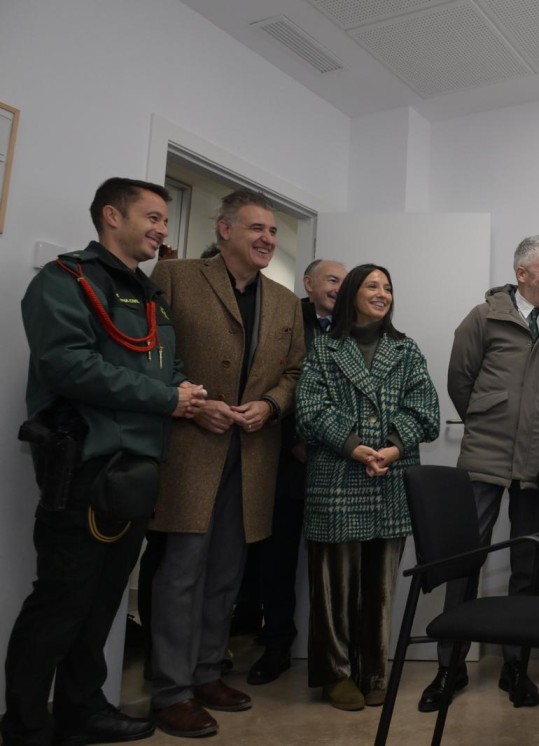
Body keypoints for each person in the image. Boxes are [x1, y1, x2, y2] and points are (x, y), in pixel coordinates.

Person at [2, 178, 206, 746]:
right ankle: (24, 723)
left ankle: (82, 709)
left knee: (104, 604)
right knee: (61, 602)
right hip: (85, 467)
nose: (163, 229)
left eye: (166, 219)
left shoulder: (148, 294)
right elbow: (68, 366)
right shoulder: (64, 280)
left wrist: (189, 392)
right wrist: (169, 398)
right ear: (112, 216)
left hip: (137, 473)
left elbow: (168, 365)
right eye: (154, 217)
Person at [146, 189, 305, 738]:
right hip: (192, 450)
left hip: (253, 453)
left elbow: (295, 373)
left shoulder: (284, 301)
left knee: (228, 575)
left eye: (274, 231)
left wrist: (270, 405)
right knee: (182, 572)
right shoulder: (175, 278)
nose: (267, 239)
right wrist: (193, 403)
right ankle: (169, 691)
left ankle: (208, 671)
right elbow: (150, 357)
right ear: (225, 230)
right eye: (256, 228)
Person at [420, 235, 539, 712]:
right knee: (462, 561)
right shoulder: (483, 317)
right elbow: (460, 379)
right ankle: (448, 668)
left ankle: (516, 666)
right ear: (522, 273)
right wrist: (489, 415)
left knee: (528, 565)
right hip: (484, 456)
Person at [296, 263, 440, 710]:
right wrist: (356, 447)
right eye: (373, 286)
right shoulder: (324, 348)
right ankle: (335, 674)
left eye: (389, 288)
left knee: (380, 588)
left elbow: (426, 407)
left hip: (391, 477)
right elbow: (308, 409)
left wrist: (392, 447)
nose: (382, 294)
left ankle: (374, 670)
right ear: (353, 293)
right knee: (333, 585)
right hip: (338, 477)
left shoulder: (406, 349)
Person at [245, 257, 347, 686]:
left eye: (345, 282)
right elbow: (277, 381)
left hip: (340, 464)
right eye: (331, 280)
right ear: (308, 283)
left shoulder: (354, 328)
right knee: (278, 559)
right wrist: (295, 442)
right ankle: (277, 645)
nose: (339, 289)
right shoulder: (285, 319)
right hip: (289, 462)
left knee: (332, 565)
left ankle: (336, 653)